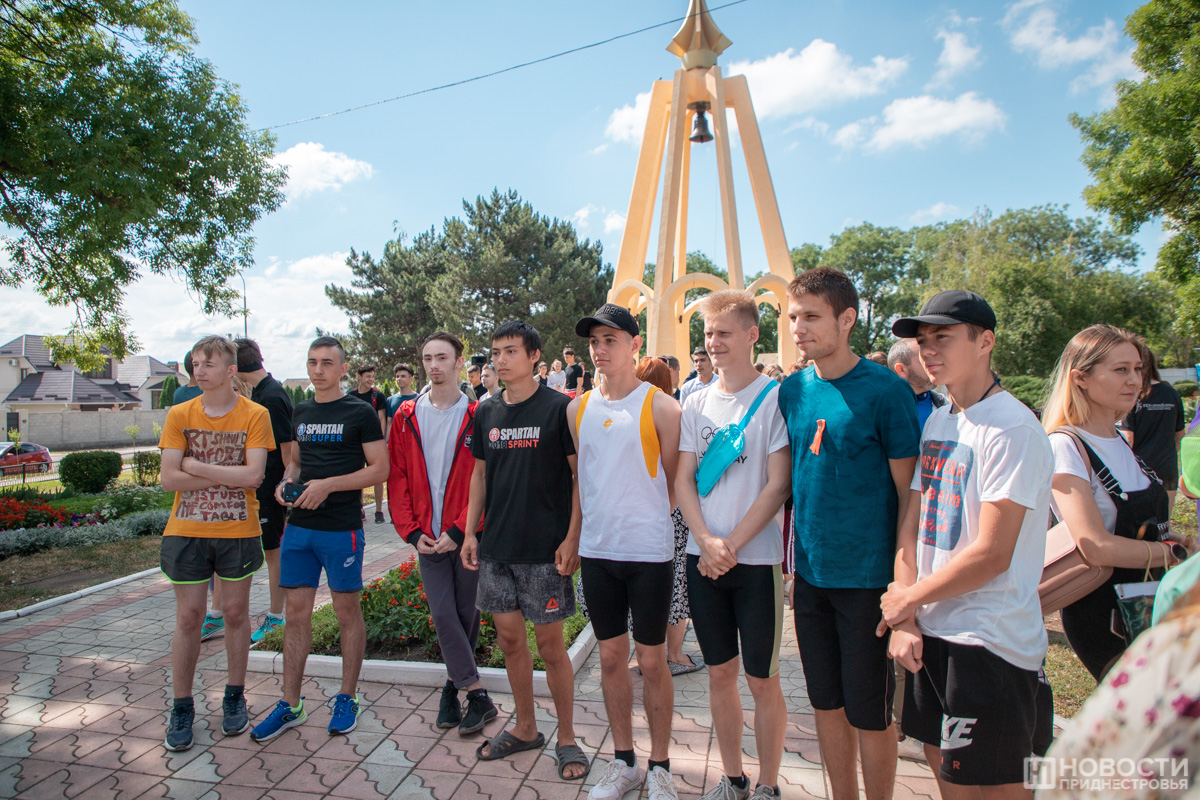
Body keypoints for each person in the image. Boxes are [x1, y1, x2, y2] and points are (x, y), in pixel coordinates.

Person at [881, 291, 1054, 795]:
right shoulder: (940, 419)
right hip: (931, 633)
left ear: (985, 342)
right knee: (947, 778)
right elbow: (912, 524)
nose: (928, 350)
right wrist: (907, 616)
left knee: (998, 785)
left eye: (943, 337)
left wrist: (906, 601)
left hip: (989, 643)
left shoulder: (1013, 427)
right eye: (923, 341)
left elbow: (993, 554)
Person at [778, 267, 919, 800]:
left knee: (870, 714)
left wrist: (902, 590)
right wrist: (794, 570)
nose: (799, 328)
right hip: (812, 580)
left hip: (868, 584)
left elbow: (909, 497)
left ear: (847, 319)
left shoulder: (887, 391)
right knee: (825, 705)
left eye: (811, 317)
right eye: (794, 317)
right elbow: (793, 485)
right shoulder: (793, 391)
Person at [676, 290, 791, 800]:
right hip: (703, 562)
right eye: (708, 333)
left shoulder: (775, 399)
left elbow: (778, 485)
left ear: (751, 335)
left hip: (756, 562)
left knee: (762, 679)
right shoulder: (695, 401)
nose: (714, 342)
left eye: (724, 333)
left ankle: (768, 784)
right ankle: (733, 778)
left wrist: (729, 546)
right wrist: (705, 541)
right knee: (720, 674)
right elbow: (683, 480)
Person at [460, 321, 587, 781]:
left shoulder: (559, 408)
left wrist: (573, 537)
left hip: (545, 552)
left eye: (511, 351)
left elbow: (579, 477)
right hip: (497, 549)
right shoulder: (486, 411)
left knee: (551, 648)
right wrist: (470, 532)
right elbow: (479, 475)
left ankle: (567, 737)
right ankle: (526, 728)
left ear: (534, 356)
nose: (500, 359)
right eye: (496, 352)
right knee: (511, 642)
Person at [568, 306, 683, 800]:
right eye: (594, 340)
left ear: (635, 345)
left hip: (649, 554)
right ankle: (624, 763)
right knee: (611, 658)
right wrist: (574, 538)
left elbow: (677, 485)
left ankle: (661, 766)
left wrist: (643, 519)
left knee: (652, 662)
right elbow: (581, 481)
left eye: (610, 339)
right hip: (598, 553)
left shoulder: (662, 407)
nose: (600, 349)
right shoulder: (576, 409)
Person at [250, 336, 389, 741]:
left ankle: (347, 697)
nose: (318, 370)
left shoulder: (360, 412)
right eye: (312, 362)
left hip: (341, 528)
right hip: (299, 528)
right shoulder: (302, 410)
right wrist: (285, 483)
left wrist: (328, 485)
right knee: (296, 614)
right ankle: (290, 704)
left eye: (327, 363)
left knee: (346, 612)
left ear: (343, 369)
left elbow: (380, 469)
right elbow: (295, 462)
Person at [1041, 324, 1180, 680]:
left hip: (1148, 599)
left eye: (1138, 369)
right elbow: (1094, 544)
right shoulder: (1065, 445)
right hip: (1106, 613)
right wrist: (1170, 554)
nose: (1135, 380)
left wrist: (1172, 541)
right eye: (1120, 370)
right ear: (1080, 378)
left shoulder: (1118, 440)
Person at [158, 335, 274, 751]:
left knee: (235, 614)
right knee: (190, 618)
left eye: (208, 364)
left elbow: (254, 476)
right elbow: (169, 479)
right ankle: (182, 706)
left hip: (237, 532)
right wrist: (226, 474)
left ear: (230, 370)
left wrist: (194, 464)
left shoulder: (255, 414)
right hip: (186, 531)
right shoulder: (179, 413)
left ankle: (234, 696)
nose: (199, 371)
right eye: (195, 364)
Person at [388, 332, 497, 735]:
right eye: (427, 358)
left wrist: (461, 529)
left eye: (442, 357)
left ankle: (452, 689)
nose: (434, 365)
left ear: (458, 362)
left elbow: (486, 481)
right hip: (427, 538)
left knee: (467, 613)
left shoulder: (478, 414)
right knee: (442, 612)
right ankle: (477, 693)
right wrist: (411, 531)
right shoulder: (405, 416)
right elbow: (397, 477)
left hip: (467, 536)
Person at [638, 357, 702, 674]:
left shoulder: (632, 415)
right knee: (676, 583)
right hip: (673, 510)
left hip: (639, 513)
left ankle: (645, 653)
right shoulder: (674, 413)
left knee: (643, 586)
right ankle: (674, 654)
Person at [234, 339, 296, 644]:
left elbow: (288, 450)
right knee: (269, 552)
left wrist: (286, 490)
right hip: (261, 487)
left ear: (237, 367)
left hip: (271, 489)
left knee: (274, 553)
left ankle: (276, 616)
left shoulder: (271, 396)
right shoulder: (260, 392)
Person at [1118, 347, 1186, 509]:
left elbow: (1128, 438)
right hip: (1168, 467)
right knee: (1164, 520)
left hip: (1139, 470)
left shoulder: (1134, 395)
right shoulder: (1171, 393)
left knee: (1142, 521)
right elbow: (1180, 437)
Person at [347, 364, 388, 524]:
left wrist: (380, 440)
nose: (371, 380)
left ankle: (378, 511)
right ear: (359, 377)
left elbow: (382, 419)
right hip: (355, 444)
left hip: (373, 443)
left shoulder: (378, 396)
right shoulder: (351, 396)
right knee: (357, 476)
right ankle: (360, 508)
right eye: (367, 376)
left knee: (377, 477)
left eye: (372, 377)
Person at [888, 338, 947, 432]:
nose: (933, 365)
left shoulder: (945, 404)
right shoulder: (880, 411)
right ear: (901, 370)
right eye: (923, 359)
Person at [385, 363, 420, 437]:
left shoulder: (419, 399)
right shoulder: (390, 400)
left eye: (403, 376)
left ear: (411, 379)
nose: (399, 379)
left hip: (413, 439)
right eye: (397, 376)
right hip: (396, 440)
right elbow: (389, 422)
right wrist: (387, 441)